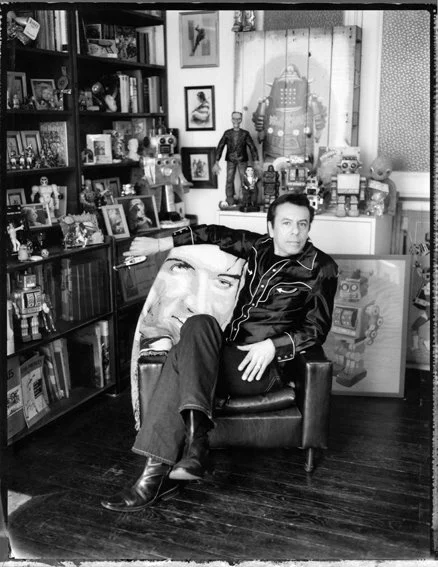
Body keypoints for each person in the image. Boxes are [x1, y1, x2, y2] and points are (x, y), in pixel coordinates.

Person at [101, 192, 338, 513]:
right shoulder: (258, 247)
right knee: (200, 323)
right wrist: (159, 244)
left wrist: (274, 346)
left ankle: (158, 475)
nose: (295, 232)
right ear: (271, 227)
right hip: (226, 357)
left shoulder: (322, 267)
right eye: (286, 223)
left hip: (262, 369)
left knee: (179, 358)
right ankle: (193, 447)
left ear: (309, 227)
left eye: (302, 224)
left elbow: (316, 329)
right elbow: (213, 232)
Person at [213, 111, 260, 206]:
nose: (236, 121)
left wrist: (256, 161)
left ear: (241, 120)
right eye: (234, 118)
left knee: (244, 180)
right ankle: (229, 199)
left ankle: (244, 199)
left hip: (242, 160)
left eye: (238, 119)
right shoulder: (227, 133)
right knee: (229, 179)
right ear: (231, 119)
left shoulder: (245, 133)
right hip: (230, 160)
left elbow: (252, 147)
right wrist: (216, 161)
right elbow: (220, 146)